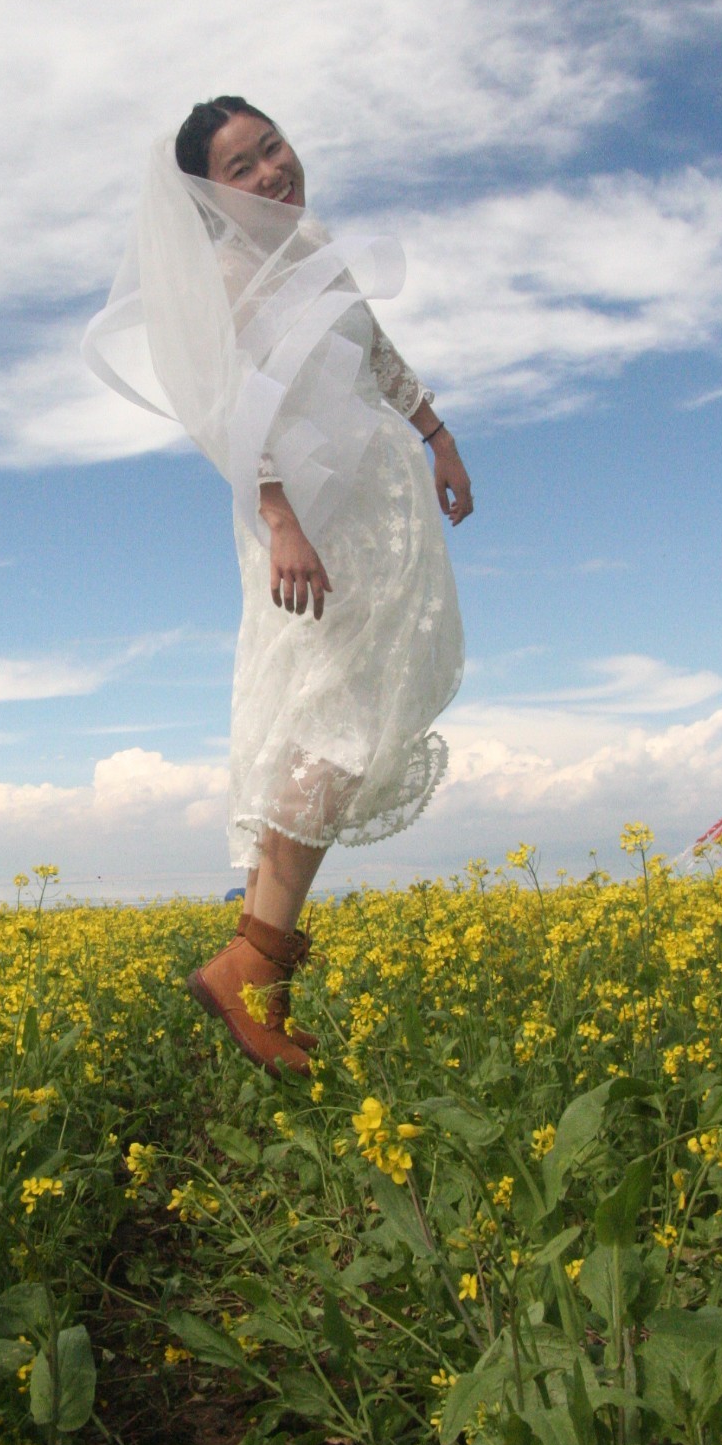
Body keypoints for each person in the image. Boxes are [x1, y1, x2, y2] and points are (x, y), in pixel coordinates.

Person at [83, 97, 470, 1076]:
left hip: (373, 505)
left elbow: (372, 349)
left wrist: (437, 432)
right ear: (213, 199)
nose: (270, 174)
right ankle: (246, 964)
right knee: (338, 730)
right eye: (241, 170)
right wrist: (282, 516)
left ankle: (263, 980)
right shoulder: (227, 273)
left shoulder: (317, 245)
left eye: (271, 149)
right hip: (310, 518)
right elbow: (225, 407)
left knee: (331, 719)